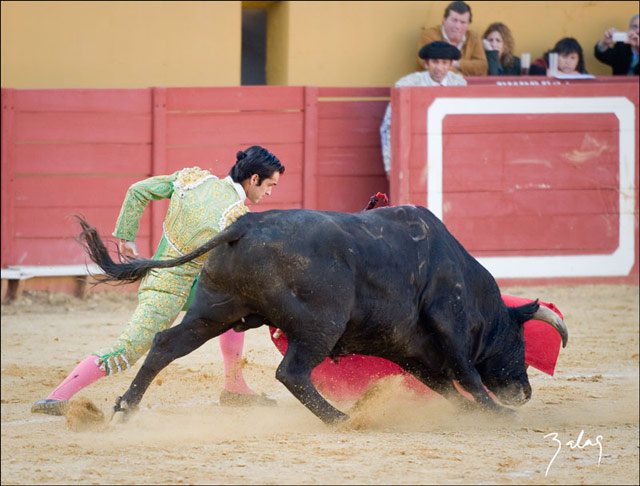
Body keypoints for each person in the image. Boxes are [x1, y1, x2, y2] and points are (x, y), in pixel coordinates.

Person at [32, 146, 285, 415]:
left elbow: (137, 190)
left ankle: (234, 387)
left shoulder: (194, 179)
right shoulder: (236, 217)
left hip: (188, 280)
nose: (270, 192)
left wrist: (126, 237)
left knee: (235, 307)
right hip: (169, 288)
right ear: (254, 179)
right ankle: (55, 398)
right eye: (270, 184)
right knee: (128, 349)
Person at [381, 41, 467, 176]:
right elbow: (388, 127)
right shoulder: (407, 84)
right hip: (416, 153)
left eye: (444, 63)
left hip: (451, 154)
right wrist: (390, 165)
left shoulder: (459, 83)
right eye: (435, 62)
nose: (439, 68)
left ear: (450, 65)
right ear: (426, 64)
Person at [417, 0, 488, 76]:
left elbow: (482, 67)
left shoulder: (473, 38)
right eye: (454, 20)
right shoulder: (429, 36)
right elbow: (432, 67)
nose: (458, 26)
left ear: (468, 24)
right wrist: (467, 73)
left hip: (467, 87)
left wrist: (457, 64)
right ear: (444, 20)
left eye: (463, 22)